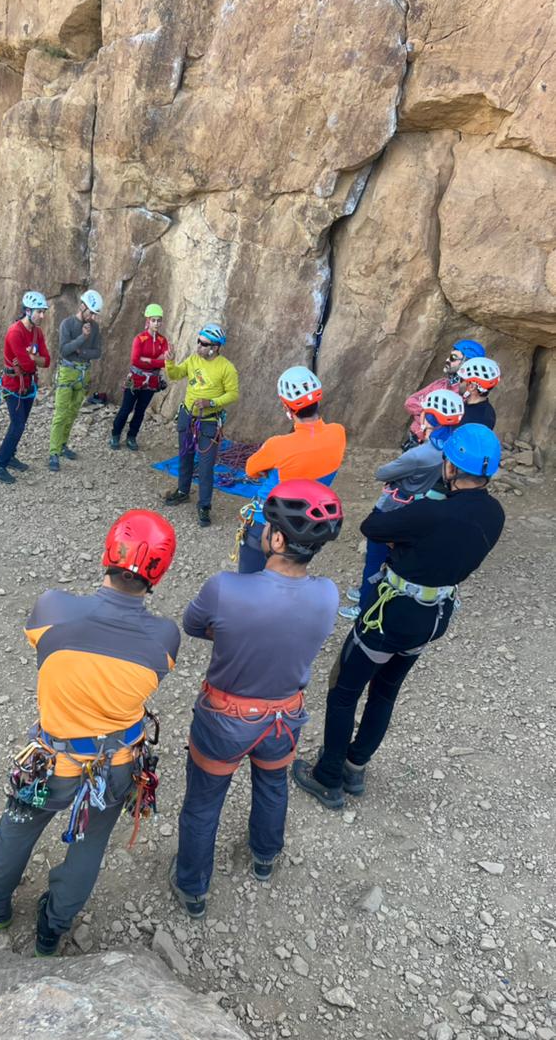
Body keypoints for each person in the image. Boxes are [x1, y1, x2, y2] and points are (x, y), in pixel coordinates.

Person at [0, 510, 180, 956]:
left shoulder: (52, 609)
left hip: (51, 764)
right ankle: (52, 928)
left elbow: (41, 642)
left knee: (17, 827)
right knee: (89, 845)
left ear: (109, 552)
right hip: (118, 766)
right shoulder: (164, 638)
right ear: (159, 571)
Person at [293, 424, 505, 809]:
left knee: (344, 692)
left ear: (452, 467)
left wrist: (411, 517)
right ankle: (355, 766)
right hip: (433, 616)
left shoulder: (430, 513)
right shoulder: (495, 514)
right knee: (385, 691)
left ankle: (328, 777)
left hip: (391, 614)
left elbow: (372, 526)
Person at [169, 481, 343, 918]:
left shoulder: (225, 589)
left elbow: (193, 625)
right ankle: (265, 856)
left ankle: (192, 887)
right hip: (284, 717)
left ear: (278, 539)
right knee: (272, 784)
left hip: (224, 719)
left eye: (266, 526)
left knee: (203, 803)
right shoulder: (328, 594)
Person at [339, 388, 464, 620]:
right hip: (420, 505)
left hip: (393, 505)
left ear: (430, 418)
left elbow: (382, 473)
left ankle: (365, 606)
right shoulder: (453, 448)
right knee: (395, 555)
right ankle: (369, 591)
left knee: (375, 557)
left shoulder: (420, 454)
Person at [237, 366, 346, 573]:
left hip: (266, 522)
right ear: (318, 400)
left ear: (286, 407)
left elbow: (251, 469)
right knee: (289, 576)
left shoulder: (278, 445)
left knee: (250, 579)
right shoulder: (338, 433)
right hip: (304, 524)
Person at [163, 324, 239, 527]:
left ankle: (204, 505)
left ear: (215, 347)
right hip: (188, 416)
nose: (199, 346)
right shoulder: (193, 360)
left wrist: (211, 402)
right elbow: (176, 375)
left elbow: (233, 394)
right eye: (198, 341)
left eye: (204, 344)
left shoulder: (226, 368)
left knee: (206, 466)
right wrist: (169, 361)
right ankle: (183, 491)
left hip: (209, 421)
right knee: (185, 456)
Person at [0, 292, 52, 484]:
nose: (42, 316)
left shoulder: (37, 332)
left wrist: (32, 358)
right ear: (28, 311)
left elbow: (47, 361)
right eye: (39, 312)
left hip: (28, 384)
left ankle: (10, 456)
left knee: (21, 423)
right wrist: (34, 359)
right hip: (13, 385)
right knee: (17, 425)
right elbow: (27, 364)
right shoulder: (15, 332)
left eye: (43, 312)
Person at [48, 290, 103, 471]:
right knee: (61, 413)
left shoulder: (95, 328)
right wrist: (82, 338)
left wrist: (81, 351)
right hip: (68, 372)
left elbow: (97, 352)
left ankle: (63, 444)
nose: (92, 317)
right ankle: (54, 452)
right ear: (82, 306)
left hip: (82, 373)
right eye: (91, 313)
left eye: (95, 314)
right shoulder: (68, 324)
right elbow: (64, 350)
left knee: (72, 413)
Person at [403, 338, 485, 448]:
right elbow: (410, 402)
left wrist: (423, 414)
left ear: (466, 363)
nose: (447, 360)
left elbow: (448, 424)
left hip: (436, 447)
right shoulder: (440, 383)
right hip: (414, 440)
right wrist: (430, 414)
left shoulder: (467, 394)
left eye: (453, 358)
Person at [109, 304, 169, 451]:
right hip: (136, 379)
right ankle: (115, 434)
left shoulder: (162, 340)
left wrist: (147, 360)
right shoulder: (140, 339)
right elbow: (135, 360)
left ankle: (132, 436)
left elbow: (165, 362)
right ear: (148, 320)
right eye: (153, 320)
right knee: (126, 408)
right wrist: (156, 361)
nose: (156, 323)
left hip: (151, 381)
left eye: (159, 320)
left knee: (140, 411)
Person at [457, 356, 500, 430]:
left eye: (461, 380)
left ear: (472, 387)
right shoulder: (467, 406)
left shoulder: (480, 419)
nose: (458, 383)